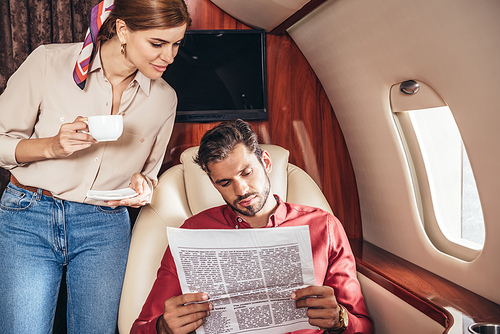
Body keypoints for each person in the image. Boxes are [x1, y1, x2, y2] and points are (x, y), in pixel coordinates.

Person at [0, 0, 190, 332]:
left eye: (176, 44)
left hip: (104, 226)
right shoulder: (48, 63)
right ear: (122, 31)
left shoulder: (165, 99)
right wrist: (52, 146)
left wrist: (143, 186)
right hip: (30, 214)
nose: (170, 56)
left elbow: (148, 173)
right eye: (157, 43)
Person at [131, 119, 373, 334]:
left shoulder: (324, 226)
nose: (241, 190)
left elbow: (362, 325)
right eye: (225, 183)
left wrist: (341, 320)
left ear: (265, 162)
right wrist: (163, 328)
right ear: (214, 185)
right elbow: (140, 328)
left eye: (247, 173)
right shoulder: (191, 233)